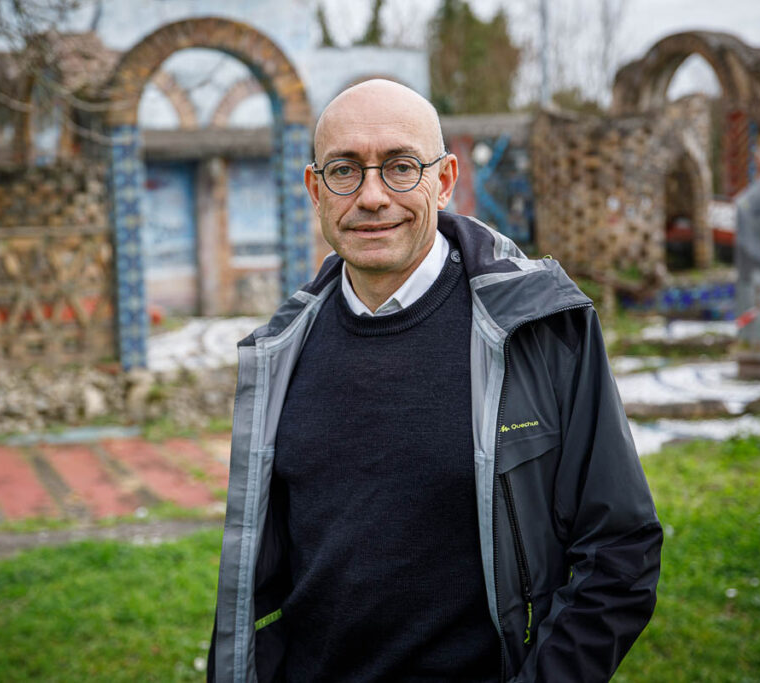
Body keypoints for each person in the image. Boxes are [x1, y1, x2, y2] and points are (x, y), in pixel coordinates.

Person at [208, 79, 661, 683]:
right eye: (344, 171)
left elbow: (620, 550)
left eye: (400, 167)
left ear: (444, 181)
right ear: (316, 190)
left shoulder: (539, 329)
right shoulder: (280, 351)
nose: (372, 197)